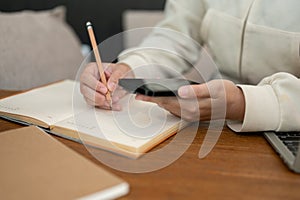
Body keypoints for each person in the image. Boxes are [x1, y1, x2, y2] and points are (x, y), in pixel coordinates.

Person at [80, 0, 300, 132]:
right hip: (215, 125)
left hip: (287, 127)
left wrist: (243, 103)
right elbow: (176, 34)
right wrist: (128, 69)